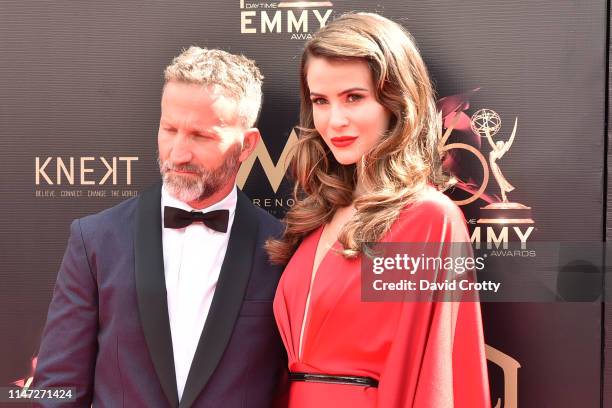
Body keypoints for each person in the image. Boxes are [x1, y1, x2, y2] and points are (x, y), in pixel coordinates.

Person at [33, 47, 286, 407]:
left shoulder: (282, 248)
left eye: (200, 136)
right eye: (169, 129)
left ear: (246, 146)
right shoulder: (95, 240)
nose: (177, 153)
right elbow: (57, 388)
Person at [267, 13, 491, 407]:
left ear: (395, 102)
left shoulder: (427, 219)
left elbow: (433, 372)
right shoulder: (318, 216)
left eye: (354, 97)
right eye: (321, 101)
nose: (335, 120)